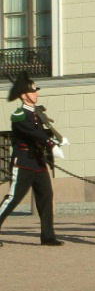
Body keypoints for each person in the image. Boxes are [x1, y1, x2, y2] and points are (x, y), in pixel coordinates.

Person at [0, 71, 68, 246]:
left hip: (38, 161)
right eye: (32, 91)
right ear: (24, 96)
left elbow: (40, 132)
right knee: (13, 198)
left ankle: (47, 236)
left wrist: (56, 139)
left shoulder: (36, 114)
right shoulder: (19, 115)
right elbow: (31, 132)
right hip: (23, 161)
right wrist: (50, 143)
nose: (36, 94)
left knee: (46, 196)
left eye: (36, 91)